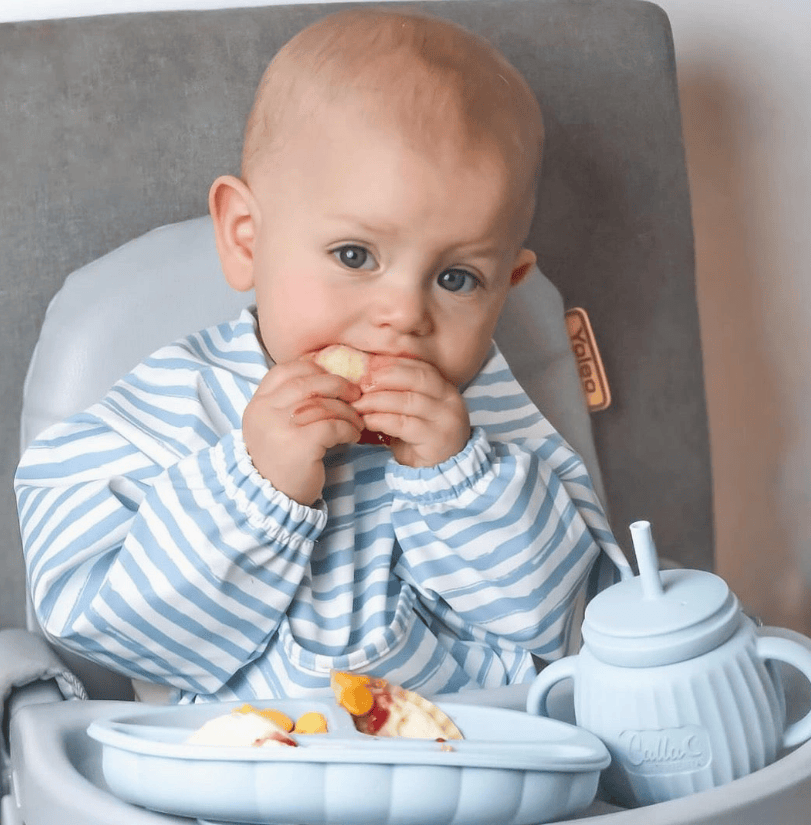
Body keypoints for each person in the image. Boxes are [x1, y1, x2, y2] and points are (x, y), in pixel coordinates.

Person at [15, 8, 627, 703]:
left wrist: (463, 480)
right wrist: (253, 486)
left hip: (471, 755)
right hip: (249, 764)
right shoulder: (181, 399)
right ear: (246, 238)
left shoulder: (483, 408)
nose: (403, 313)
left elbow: (570, 619)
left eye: (456, 278)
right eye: (354, 255)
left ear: (506, 287)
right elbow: (97, 620)